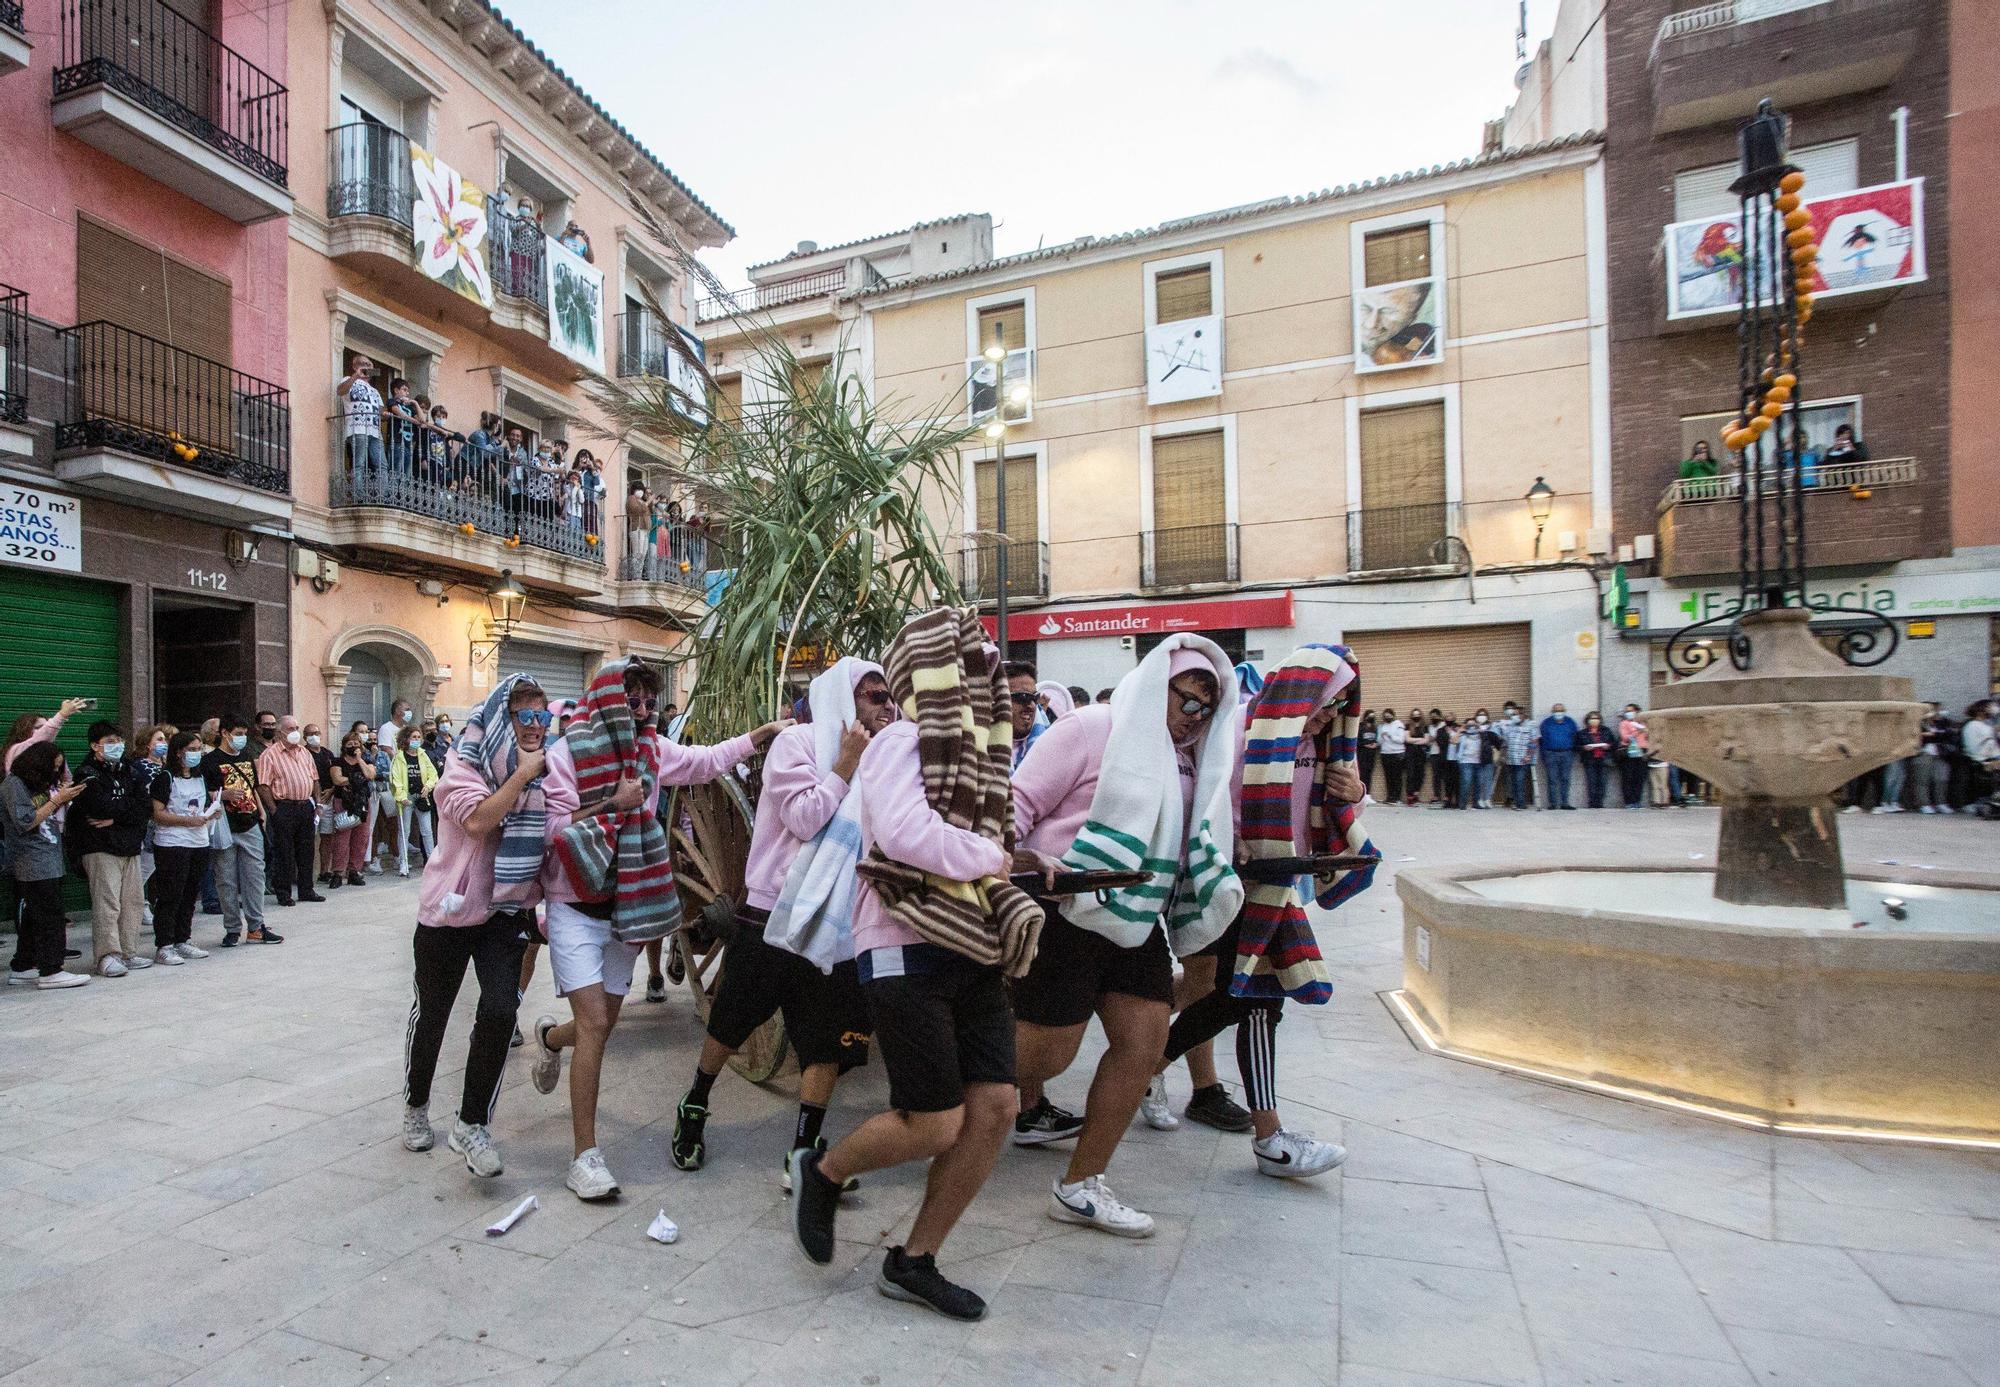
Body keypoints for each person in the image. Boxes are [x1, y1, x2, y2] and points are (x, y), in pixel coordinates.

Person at [787, 610, 1041, 1323]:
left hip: (971, 943)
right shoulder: (901, 740)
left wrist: (1016, 861)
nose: (981, 682)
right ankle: (825, 1169)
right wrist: (991, 857)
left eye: (984, 668)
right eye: (966, 666)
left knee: (995, 1109)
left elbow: (992, 832)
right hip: (901, 944)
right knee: (934, 1121)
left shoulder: (986, 758)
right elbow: (901, 833)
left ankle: (915, 1258)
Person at [1008, 636, 1244, 1236]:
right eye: (1183, 698)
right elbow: (1014, 804)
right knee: (1049, 1055)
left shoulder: (1192, 758)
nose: (1191, 715)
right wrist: (1024, 857)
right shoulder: (1091, 728)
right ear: (1152, 681)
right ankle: (946, 1087)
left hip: (1138, 916)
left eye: (1203, 708)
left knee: (1141, 1044)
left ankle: (1082, 1183)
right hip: (1066, 909)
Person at [527, 659, 787, 1202]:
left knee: (599, 1024)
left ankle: (551, 1039)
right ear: (607, 702)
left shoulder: (651, 753)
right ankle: (585, 1157)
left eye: (650, 702)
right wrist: (611, 804)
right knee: (596, 1023)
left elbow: (703, 761)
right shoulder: (565, 755)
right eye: (633, 702)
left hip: (627, 907)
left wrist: (759, 736)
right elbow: (550, 830)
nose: (644, 712)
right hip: (575, 904)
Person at [1159, 643, 1374, 1179]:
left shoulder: (1322, 746)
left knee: (1242, 998)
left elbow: (1326, 812)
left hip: (1283, 887)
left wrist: (1357, 792)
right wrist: (1232, 842)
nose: (1328, 713)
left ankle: (1147, 1067)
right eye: (1325, 700)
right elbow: (1206, 799)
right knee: (1255, 999)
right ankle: (1270, 1138)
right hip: (1236, 887)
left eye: (1340, 704)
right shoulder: (1238, 732)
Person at [673, 658, 891, 1183]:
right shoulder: (797, 747)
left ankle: (803, 1149)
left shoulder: (888, 757)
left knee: (828, 1040)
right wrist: (845, 766)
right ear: (844, 698)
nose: (888, 706)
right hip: (774, 911)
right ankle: (695, 1103)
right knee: (732, 1020)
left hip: (840, 919)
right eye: (874, 696)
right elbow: (804, 818)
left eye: (888, 696)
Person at [405, 675, 552, 1177]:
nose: (534, 727)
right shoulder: (459, 771)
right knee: (434, 1014)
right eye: (523, 716)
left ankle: (471, 1124)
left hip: (504, 911)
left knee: (498, 1008)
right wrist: (522, 777)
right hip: (449, 912)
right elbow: (478, 822)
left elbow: (557, 823)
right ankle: (416, 1103)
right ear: (499, 721)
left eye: (541, 717)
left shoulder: (545, 775)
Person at [3, 741, 88, 989]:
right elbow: (25, 821)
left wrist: (63, 797)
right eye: (53, 766)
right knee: (50, 917)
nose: (55, 772)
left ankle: (24, 964)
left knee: (34, 916)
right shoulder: (14, 785)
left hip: (48, 856)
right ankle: (51, 969)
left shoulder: (37, 785)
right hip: (31, 860)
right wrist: (54, 801)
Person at [74, 723, 152, 975]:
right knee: (107, 903)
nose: (117, 745)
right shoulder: (86, 773)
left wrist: (117, 818)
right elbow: (98, 807)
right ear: (95, 745)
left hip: (129, 845)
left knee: (133, 901)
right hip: (100, 846)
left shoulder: (131, 771)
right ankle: (107, 955)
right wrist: (124, 813)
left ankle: (128, 952)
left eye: (119, 739)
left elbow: (145, 807)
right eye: (110, 740)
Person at [201, 715, 271, 947]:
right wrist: (223, 795)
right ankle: (232, 928)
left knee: (254, 877)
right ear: (225, 733)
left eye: (244, 734)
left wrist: (261, 810)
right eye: (237, 734)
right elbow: (204, 793)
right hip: (224, 826)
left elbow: (252, 787)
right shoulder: (210, 761)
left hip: (250, 822)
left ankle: (256, 927)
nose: (241, 738)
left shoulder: (246, 757)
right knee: (226, 880)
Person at [149, 731, 218, 968]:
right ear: (178, 752)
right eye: (191, 749)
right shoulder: (165, 778)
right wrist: (187, 821)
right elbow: (158, 813)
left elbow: (203, 805)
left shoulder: (200, 777)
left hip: (198, 841)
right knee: (171, 894)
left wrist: (211, 813)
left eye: (199, 749)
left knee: (190, 894)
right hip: (172, 842)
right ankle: (164, 945)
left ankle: (182, 938)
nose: (196, 754)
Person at [257, 715, 326, 907]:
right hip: (284, 807)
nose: (295, 732)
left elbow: (314, 779)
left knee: (307, 850)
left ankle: (306, 889)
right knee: (284, 852)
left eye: (297, 727)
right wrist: (274, 810)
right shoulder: (269, 755)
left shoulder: (304, 752)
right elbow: (263, 785)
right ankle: (284, 892)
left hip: (306, 806)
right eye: (290, 728)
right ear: (280, 732)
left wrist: (318, 803)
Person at [324, 732, 375, 887]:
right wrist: (356, 779)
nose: (353, 746)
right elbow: (337, 780)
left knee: (361, 838)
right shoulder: (337, 761)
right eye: (350, 744)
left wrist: (359, 760)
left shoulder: (366, 760)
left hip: (363, 803)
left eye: (356, 743)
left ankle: (354, 871)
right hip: (344, 802)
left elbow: (370, 775)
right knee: (342, 839)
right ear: (344, 745)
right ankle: (338, 873)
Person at [391, 725, 439, 876]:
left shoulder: (423, 755)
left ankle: (432, 863)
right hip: (406, 798)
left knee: (427, 831)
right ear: (406, 739)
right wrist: (401, 797)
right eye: (414, 737)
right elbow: (395, 779)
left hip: (422, 796)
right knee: (404, 831)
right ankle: (403, 863)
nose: (417, 740)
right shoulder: (399, 757)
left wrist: (428, 786)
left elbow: (433, 774)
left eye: (419, 737)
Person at [337, 355, 385, 477]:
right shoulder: (348, 379)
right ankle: (357, 495)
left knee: (382, 465)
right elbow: (340, 391)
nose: (366, 366)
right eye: (363, 363)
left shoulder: (374, 391)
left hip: (375, 431)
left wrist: (386, 414)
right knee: (359, 464)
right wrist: (356, 376)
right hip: (357, 428)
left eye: (369, 365)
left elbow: (380, 411)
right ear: (355, 366)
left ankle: (382, 495)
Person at [1537, 703, 1578, 810]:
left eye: (1560, 710)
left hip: (1567, 753)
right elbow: (1542, 740)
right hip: (1550, 753)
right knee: (1552, 779)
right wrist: (1544, 755)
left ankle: (1565, 803)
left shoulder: (1570, 722)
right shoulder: (1546, 723)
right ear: (1552, 712)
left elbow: (1575, 737)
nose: (1558, 713)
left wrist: (1573, 751)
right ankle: (1553, 803)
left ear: (1564, 711)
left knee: (1565, 778)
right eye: (1556, 711)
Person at [1453, 708, 1493, 809]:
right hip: (1465, 762)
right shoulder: (1463, 735)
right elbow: (1453, 741)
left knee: (1478, 783)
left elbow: (1487, 738)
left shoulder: (1480, 734)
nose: (1471, 726)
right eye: (1469, 725)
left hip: (1478, 761)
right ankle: (1463, 804)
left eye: (1473, 724)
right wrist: (1461, 730)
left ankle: (1476, 803)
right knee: (1466, 782)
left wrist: (1478, 727)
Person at [1578, 711, 1615, 809]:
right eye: (1592, 718)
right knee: (1591, 782)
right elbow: (1577, 746)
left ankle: (1599, 804)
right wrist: (1584, 748)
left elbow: (1614, 743)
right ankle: (1592, 804)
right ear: (1587, 720)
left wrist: (1608, 746)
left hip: (1604, 759)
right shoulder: (1583, 733)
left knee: (1602, 782)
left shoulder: (1606, 730)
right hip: (1590, 759)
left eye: (1596, 718)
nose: (1594, 721)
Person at [1616, 704, 1650, 809]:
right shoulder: (1624, 723)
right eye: (1627, 711)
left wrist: (1646, 731)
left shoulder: (1644, 723)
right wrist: (1637, 732)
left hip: (1642, 750)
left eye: (1631, 711)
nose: (1629, 713)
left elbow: (1650, 737)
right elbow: (1625, 738)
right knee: (1628, 777)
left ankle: (1637, 801)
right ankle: (1629, 802)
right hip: (1629, 750)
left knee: (1639, 777)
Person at [1376, 708, 1406, 804]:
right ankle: (1390, 796)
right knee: (1388, 776)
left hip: (1397, 753)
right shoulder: (1382, 726)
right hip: (1385, 753)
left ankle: (1397, 798)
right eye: (1385, 716)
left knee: (1397, 776)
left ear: (1393, 715)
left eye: (1389, 715)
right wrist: (1382, 737)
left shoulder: (1399, 724)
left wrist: (1390, 735)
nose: (1387, 717)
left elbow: (1401, 740)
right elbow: (1379, 742)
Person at [1356, 711, 1378, 796]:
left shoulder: (1374, 728)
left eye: (1373, 716)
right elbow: (1357, 741)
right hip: (1362, 754)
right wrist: (1366, 745)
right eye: (1370, 716)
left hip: (1371, 755)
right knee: (1362, 773)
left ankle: (1367, 794)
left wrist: (1375, 744)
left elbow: (1376, 739)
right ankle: (1361, 793)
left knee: (1369, 774)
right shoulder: (1360, 727)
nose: (1371, 718)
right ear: (1366, 717)